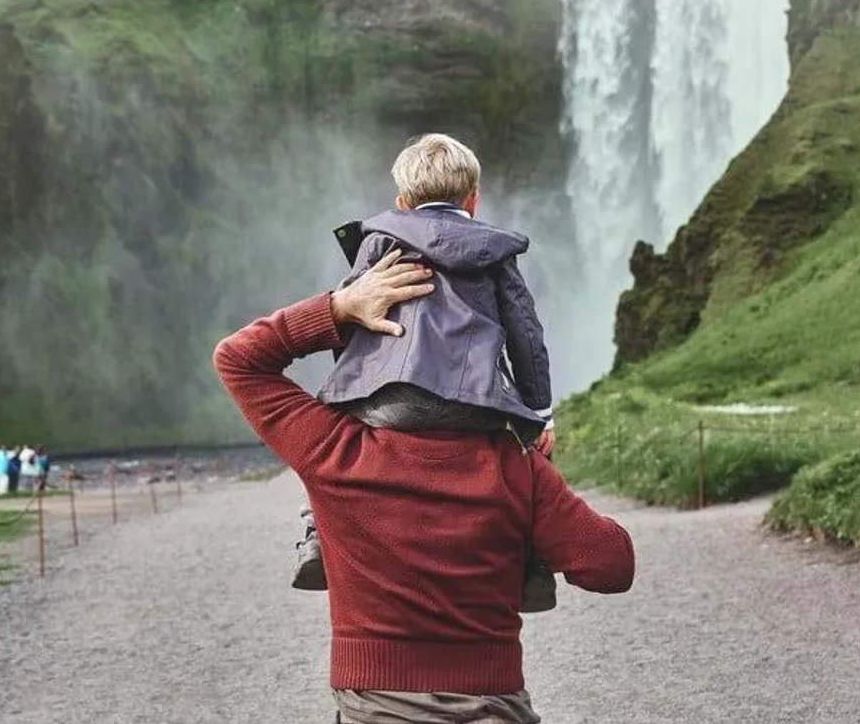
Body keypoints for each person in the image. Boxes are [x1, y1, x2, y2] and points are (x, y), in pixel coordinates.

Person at [212, 250, 634, 723]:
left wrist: (340, 306)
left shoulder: (334, 450)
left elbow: (238, 360)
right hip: (492, 704)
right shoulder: (516, 468)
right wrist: (544, 479)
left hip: (373, 703)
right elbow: (612, 566)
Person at [299, 133, 558, 610]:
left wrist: (354, 390)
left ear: (400, 202)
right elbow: (525, 332)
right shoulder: (496, 252)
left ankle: (317, 539)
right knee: (531, 458)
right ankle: (532, 562)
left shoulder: (378, 241)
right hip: (474, 403)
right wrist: (540, 412)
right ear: (474, 200)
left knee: (324, 444)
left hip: (388, 401)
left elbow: (354, 316)